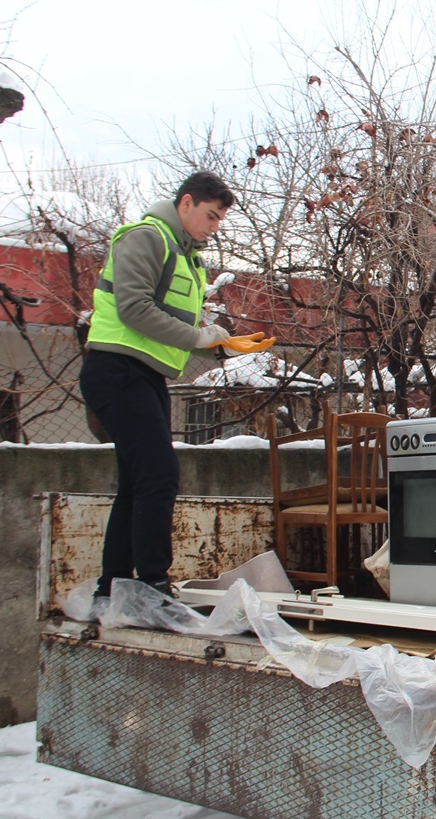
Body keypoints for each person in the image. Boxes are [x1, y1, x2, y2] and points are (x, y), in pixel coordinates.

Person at [80, 171, 269, 599]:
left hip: (144, 374)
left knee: (138, 481)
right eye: (210, 215)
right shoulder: (148, 238)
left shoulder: (188, 259)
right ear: (185, 203)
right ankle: (152, 584)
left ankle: (112, 587)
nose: (214, 226)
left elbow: (174, 326)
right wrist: (198, 337)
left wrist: (220, 347)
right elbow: (133, 308)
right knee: (159, 475)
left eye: (220, 219)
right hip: (116, 369)